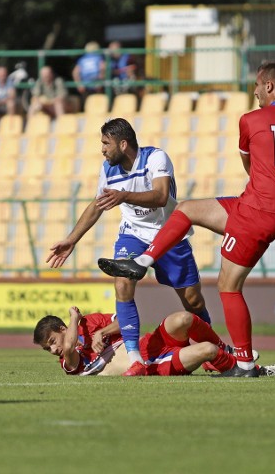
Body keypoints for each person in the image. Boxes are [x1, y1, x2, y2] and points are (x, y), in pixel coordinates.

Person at [98, 61, 275, 377]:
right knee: (185, 209)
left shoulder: (251, 120)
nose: (254, 91)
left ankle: (243, 364)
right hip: (257, 209)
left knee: (229, 287)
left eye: (257, 85)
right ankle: (143, 260)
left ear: (269, 86)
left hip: (255, 215)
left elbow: (252, 163)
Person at [46, 118, 212, 376]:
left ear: (123, 144)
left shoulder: (156, 158)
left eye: (105, 143)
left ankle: (213, 348)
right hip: (133, 234)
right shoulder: (108, 169)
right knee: (122, 282)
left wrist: (123, 196)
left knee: (192, 299)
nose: (102, 149)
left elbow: (160, 196)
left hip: (169, 233)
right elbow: (97, 205)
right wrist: (72, 239)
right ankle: (135, 358)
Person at [33, 307, 275, 377]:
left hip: (148, 345)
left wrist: (102, 332)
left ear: (60, 329)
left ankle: (225, 352)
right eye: (49, 349)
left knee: (183, 319)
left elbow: (127, 320)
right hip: (153, 364)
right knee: (206, 350)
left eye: (52, 341)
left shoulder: (92, 324)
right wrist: (73, 318)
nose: (54, 349)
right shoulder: (68, 362)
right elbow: (69, 348)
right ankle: (253, 370)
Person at [71, 41, 106, 106]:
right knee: (98, 104)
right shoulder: (99, 58)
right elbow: (103, 69)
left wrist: (79, 84)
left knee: (87, 104)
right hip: (96, 84)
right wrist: (100, 82)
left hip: (85, 85)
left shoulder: (82, 59)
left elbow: (75, 72)